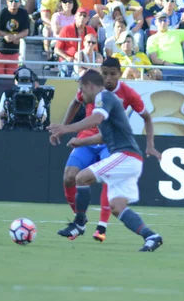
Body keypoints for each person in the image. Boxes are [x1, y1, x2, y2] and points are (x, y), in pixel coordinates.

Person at [51, 59, 161, 246]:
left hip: (125, 156)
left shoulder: (104, 97)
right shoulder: (106, 101)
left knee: (80, 178)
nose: (82, 95)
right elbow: (103, 137)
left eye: (83, 90)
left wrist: (66, 128)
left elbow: (95, 119)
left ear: (90, 86)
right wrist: (81, 141)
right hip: (130, 160)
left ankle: (79, 223)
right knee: (118, 208)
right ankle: (151, 236)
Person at [0, 0, 30, 74]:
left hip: (14, 52)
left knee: (11, 80)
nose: (13, 3)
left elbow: (26, 31)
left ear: (20, 2)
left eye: (16, 1)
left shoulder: (24, 13)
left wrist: (15, 37)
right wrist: (7, 36)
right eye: (11, 1)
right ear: (7, 2)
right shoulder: (3, 12)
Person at [55, 8, 97, 77]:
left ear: (88, 19)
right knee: (67, 67)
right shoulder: (66, 29)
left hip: (85, 60)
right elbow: (57, 49)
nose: (82, 18)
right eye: (80, 15)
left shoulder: (91, 30)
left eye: (84, 16)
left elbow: (95, 50)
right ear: (75, 17)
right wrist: (67, 57)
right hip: (69, 60)